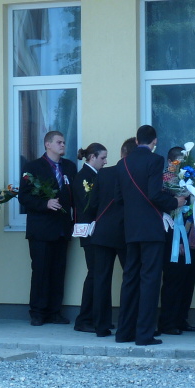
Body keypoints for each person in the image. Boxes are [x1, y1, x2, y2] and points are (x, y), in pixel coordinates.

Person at [114, 125, 186, 346]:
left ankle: (124, 332)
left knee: (130, 279)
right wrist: (175, 201)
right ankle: (144, 334)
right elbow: (154, 194)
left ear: (137, 141)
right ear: (154, 141)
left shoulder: (122, 163)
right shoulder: (155, 160)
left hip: (131, 228)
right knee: (150, 280)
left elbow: (119, 197)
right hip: (151, 229)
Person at [18, 130, 77, 326]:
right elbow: (24, 197)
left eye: (64, 142)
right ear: (47, 144)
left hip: (62, 228)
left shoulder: (69, 166)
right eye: (59, 142)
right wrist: (45, 204)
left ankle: (54, 311)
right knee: (41, 271)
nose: (63, 145)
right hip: (41, 230)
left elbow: (75, 195)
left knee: (58, 271)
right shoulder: (33, 167)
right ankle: (37, 312)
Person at [90, 137, 137, 337]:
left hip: (102, 231)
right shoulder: (134, 174)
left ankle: (101, 326)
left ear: (122, 153)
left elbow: (93, 203)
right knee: (131, 279)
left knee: (101, 279)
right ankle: (129, 323)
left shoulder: (104, 173)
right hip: (126, 232)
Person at [158, 147, 195, 336]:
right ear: (170, 162)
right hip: (174, 236)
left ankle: (181, 318)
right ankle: (167, 322)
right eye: (179, 162)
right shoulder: (165, 181)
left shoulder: (191, 181)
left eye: (186, 163)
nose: (183, 167)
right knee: (174, 279)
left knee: (188, 279)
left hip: (192, 234)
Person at [71, 143, 108, 333]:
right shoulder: (83, 177)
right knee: (94, 274)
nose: (105, 162)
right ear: (92, 157)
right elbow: (89, 205)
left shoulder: (94, 175)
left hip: (96, 231)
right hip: (89, 231)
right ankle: (84, 319)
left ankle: (96, 317)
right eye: (102, 158)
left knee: (97, 274)